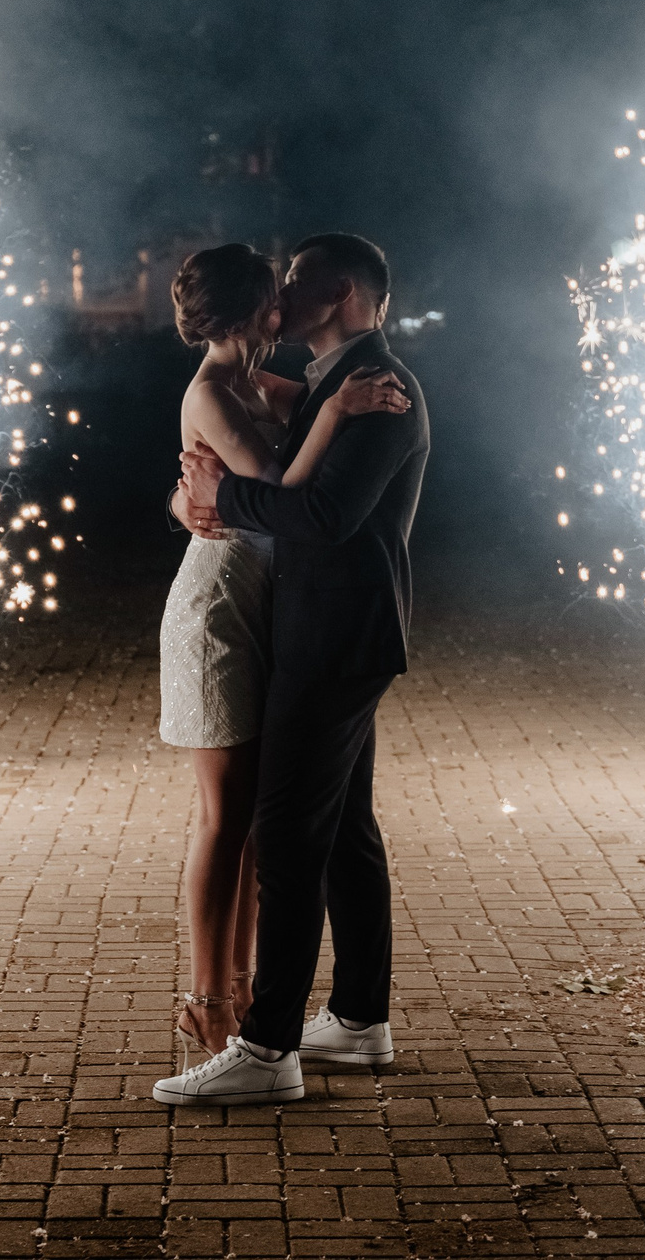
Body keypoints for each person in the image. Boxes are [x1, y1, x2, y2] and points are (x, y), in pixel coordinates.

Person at [152, 233, 431, 1107]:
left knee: (284, 835)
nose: (285, 297)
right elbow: (215, 422)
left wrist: (214, 497)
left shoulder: (377, 392)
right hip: (316, 627)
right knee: (346, 832)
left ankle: (268, 1045)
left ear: (340, 291)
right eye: (274, 289)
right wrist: (185, 495)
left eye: (298, 282)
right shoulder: (329, 381)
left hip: (332, 636)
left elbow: (317, 512)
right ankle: (357, 1019)